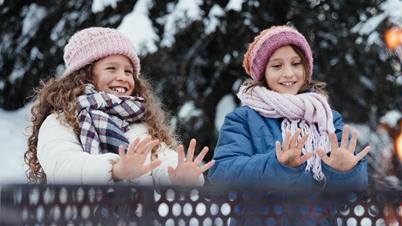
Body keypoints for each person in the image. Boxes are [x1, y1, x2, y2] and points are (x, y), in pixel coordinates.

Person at [25, 27, 214, 185]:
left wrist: (179, 174)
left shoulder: (141, 125)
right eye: (111, 68)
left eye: (129, 71)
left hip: (137, 225)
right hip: (79, 225)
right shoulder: (61, 121)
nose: (123, 77)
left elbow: (161, 160)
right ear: (85, 75)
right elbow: (63, 166)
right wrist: (115, 169)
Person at [208, 25, 369, 189]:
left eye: (296, 63)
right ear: (263, 73)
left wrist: (347, 171)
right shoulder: (243, 119)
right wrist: (277, 165)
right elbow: (221, 174)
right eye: (277, 66)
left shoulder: (326, 116)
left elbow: (355, 189)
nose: (289, 73)